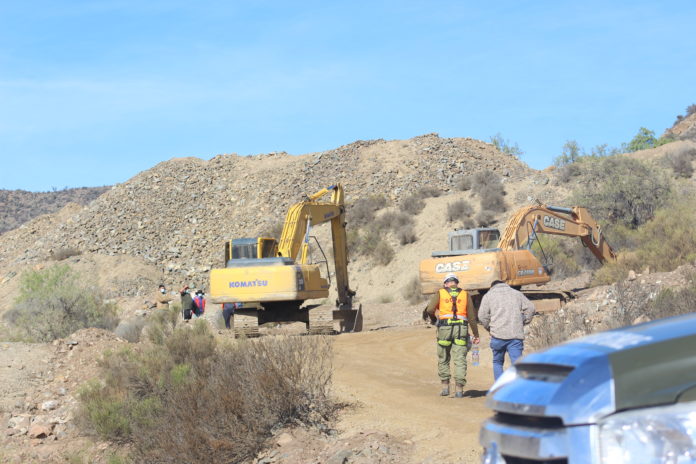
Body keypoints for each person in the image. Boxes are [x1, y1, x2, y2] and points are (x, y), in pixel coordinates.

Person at [424, 273, 480, 398]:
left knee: (443, 357)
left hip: (444, 329)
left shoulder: (441, 293)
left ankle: (445, 388)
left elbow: (429, 309)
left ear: (445, 284)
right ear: (456, 283)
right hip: (461, 330)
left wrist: (434, 320)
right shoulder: (465, 294)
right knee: (459, 359)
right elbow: (471, 317)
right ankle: (459, 390)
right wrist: (476, 334)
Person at [478, 280, 535, 381]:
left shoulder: (488, 296)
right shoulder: (517, 293)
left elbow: (482, 316)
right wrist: (524, 321)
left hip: (497, 335)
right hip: (515, 335)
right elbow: (530, 308)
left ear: (492, 287)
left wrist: (489, 328)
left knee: (497, 362)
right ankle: (518, 389)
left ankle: (500, 389)